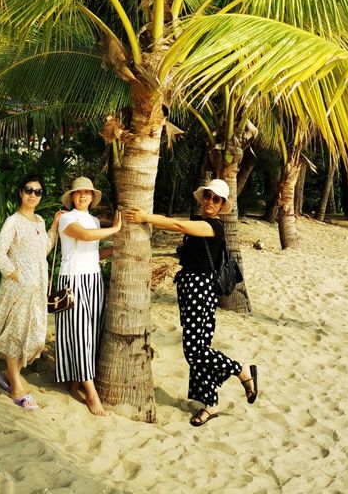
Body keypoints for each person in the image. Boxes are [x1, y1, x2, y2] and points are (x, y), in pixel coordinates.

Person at [125, 178, 258, 427]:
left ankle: (241, 371)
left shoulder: (214, 227)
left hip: (201, 290)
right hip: (188, 288)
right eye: (207, 196)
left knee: (196, 351)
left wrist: (146, 217)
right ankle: (210, 404)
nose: (210, 201)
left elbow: (176, 225)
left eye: (216, 199)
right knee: (196, 350)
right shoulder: (201, 222)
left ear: (222, 205)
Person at [0, 173, 61, 409]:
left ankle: (6, 373)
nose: (33, 195)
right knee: (15, 335)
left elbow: (42, 250)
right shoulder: (13, 222)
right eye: (29, 190)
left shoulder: (40, 222)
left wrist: (54, 226)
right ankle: (15, 385)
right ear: (20, 192)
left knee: (33, 336)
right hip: (16, 290)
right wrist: (17, 276)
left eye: (38, 191)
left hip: (36, 291)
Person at [55, 176, 121, 416]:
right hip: (73, 280)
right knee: (80, 333)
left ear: (93, 197)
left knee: (92, 332)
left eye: (88, 193)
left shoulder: (93, 220)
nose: (83, 196)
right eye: (79, 192)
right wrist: (114, 230)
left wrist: (116, 248)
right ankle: (92, 394)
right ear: (72, 197)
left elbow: (93, 252)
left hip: (93, 279)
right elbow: (82, 236)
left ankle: (76, 382)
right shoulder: (66, 218)